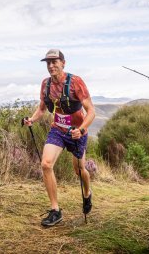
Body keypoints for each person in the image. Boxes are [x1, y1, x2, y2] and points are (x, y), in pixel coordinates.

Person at [23, 49, 96, 227]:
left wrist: (81, 129)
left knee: (79, 170)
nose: (51, 65)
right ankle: (55, 211)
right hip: (57, 130)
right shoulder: (45, 84)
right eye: (48, 63)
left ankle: (87, 193)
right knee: (46, 164)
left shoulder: (75, 82)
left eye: (55, 61)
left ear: (63, 63)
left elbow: (91, 111)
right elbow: (41, 108)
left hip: (76, 132)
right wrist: (31, 119)